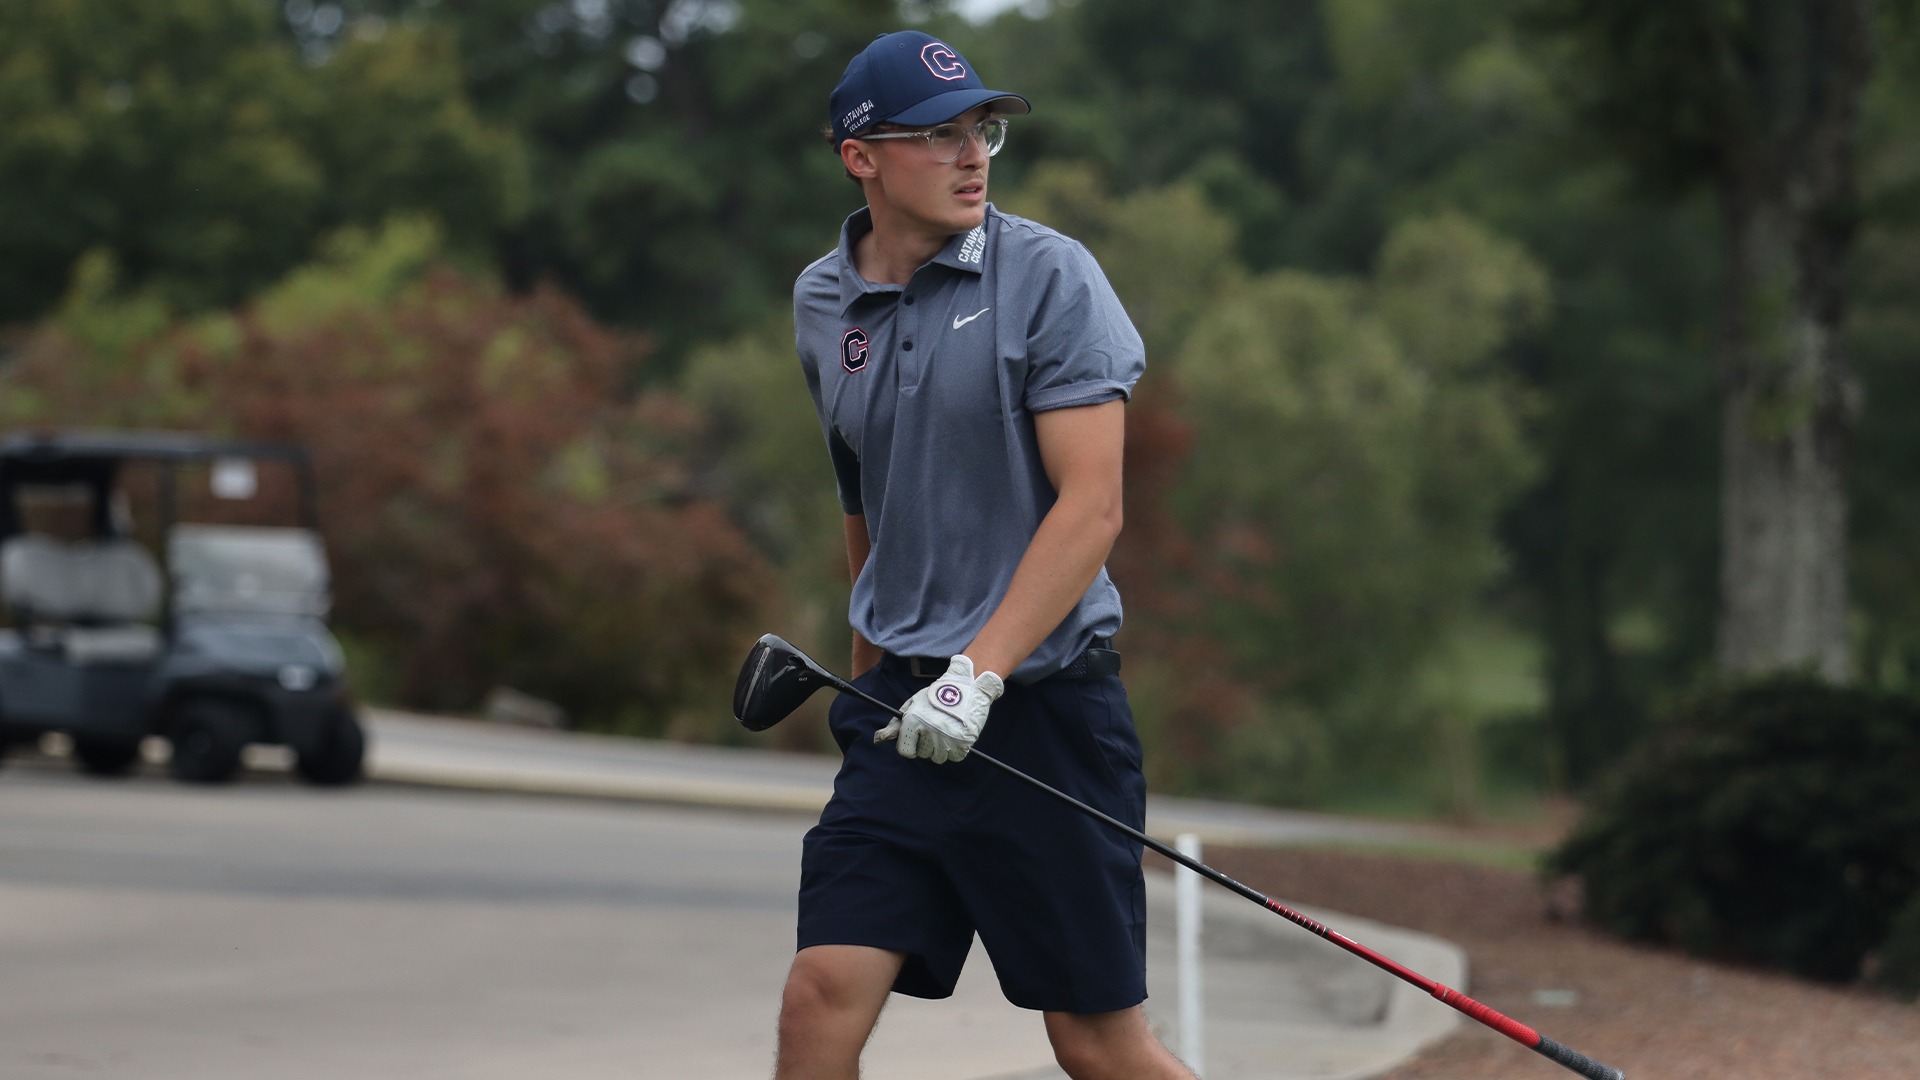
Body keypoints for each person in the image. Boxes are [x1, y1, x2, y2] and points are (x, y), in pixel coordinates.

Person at [776, 30, 1197, 1080]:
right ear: (860, 156)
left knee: (1096, 1044)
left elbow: (1091, 508)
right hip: (903, 719)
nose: (974, 156)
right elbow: (866, 503)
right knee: (821, 992)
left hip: (1044, 716)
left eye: (984, 130)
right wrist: (875, 684)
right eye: (939, 136)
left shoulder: (1050, 276)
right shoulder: (822, 303)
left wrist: (978, 676)